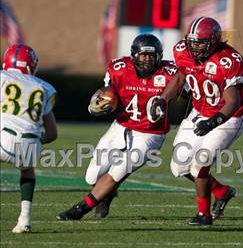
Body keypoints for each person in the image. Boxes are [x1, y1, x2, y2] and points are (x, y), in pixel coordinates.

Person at [56, 34, 178, 220]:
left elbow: (191, 90)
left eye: (151, 55)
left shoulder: (170, 73)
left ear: (159, 56)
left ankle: (79, 210)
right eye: (142, 55)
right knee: (91, 176)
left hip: (150, 133)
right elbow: (106, 92)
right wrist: (97, 103)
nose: (146, 60)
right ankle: (106, 195)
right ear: (133, 55)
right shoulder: (119, 68)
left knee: (119, 171)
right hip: (121, 126)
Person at [150, 16, 243, 226]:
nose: (195, 47)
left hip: (228, 117)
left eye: (200, 43)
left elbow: (232, 101)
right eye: (192, 42)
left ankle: (204, 215)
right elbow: (180, 76)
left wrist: (213, 122)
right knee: (179, 167)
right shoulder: (182, 52)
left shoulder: (228, 60)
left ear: (214, 41)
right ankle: (222, 192)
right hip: (199, 111)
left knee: (200, 164)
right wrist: (162, 98)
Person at [1, 44, 58, 233]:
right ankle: (24, 219)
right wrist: (36, 141)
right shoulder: (44, 87)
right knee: (27, 172)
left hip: (3, 141)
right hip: (31, 145)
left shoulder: (2, 78)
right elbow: (52, 134)